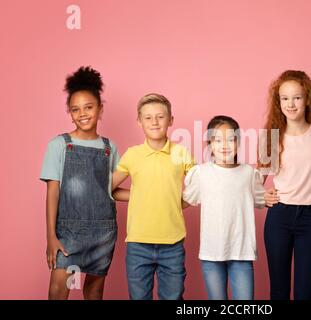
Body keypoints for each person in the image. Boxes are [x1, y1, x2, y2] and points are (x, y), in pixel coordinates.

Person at [41, 66, 123, 300]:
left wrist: (144, 194)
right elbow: (53, 192)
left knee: (94, 291)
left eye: (89, 107)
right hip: (68, 232)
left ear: (100, 108)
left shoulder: (110, 148)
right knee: (59, 289)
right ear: (70, 112)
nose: (83, 114)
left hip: (103, 232)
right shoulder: (59, 145)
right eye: (75, 109)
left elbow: (110, 190)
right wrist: (51, 237)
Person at [259, 70, 311, 300]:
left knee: (305, 292)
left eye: (297, 97)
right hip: (279, 217)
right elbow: (256, 180)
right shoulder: (272, 137)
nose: (290, 104)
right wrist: (262, 195)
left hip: (310, 218)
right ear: (278, 102)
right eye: (284, 98)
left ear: (307, 99)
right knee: (279, 291)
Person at [112, 93, 195, 300]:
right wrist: (140, 195)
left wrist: (177, 201)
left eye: (160, 116)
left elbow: (198, 188)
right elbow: (107, 188)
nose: (154, 122)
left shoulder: (181, 153)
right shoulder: (133, 154)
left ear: (171, 120)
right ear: (139, 122)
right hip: (138, 244)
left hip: (173, 244)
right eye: (148, 117)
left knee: (173, 298)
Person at [183, 115, 265, 300]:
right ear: (209, 144)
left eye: (230, 139)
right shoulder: (202, 173)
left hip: (241, 252)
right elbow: (186, 199)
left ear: (238, 142)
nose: (224, 145)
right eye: (217, 140)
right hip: (211, 253)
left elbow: (262, 200)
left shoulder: (249, 173)